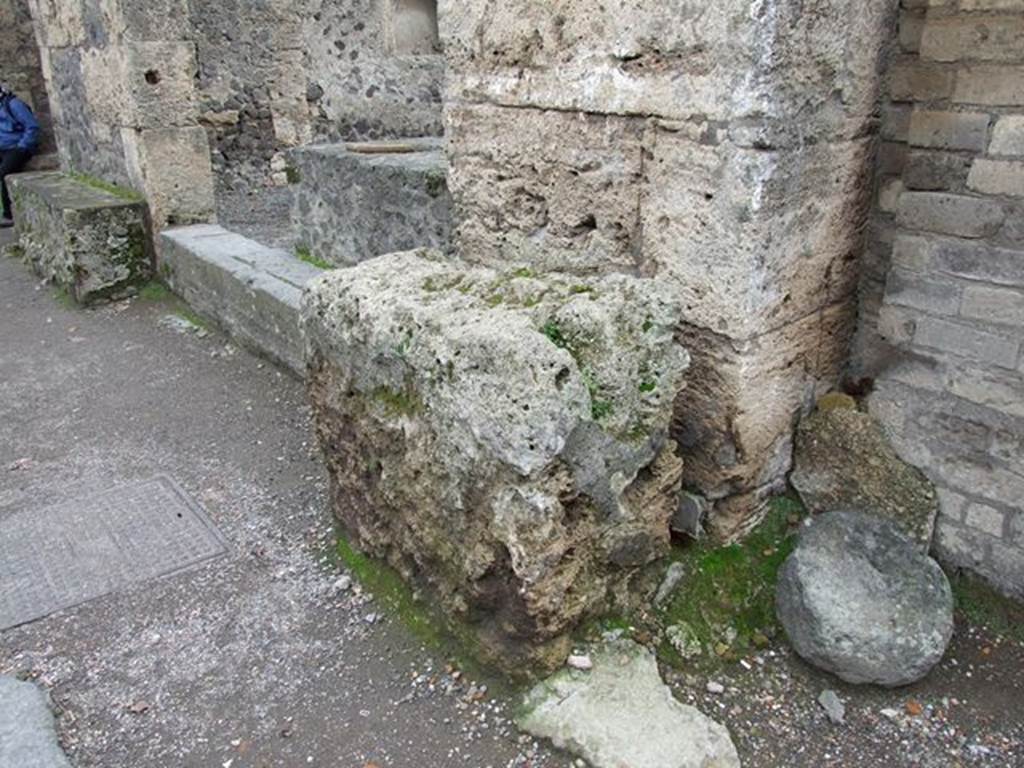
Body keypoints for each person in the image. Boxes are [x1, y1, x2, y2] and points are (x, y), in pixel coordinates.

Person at [0, 84, 40, 228]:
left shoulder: (13, 104)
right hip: (2, 148)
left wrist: (22, 146)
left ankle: (8, 214)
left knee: (4, 172)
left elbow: (32, 127)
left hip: (17, 147)